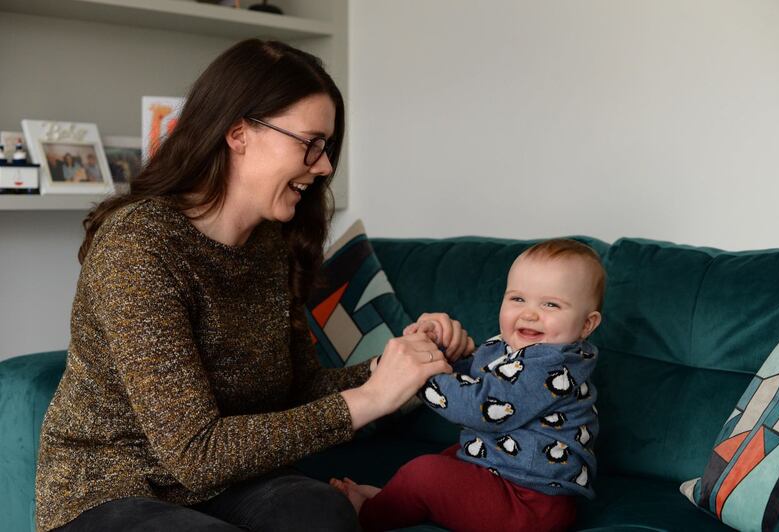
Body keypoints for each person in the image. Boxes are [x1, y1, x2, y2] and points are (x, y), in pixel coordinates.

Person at [34, 39, 473, 532]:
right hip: (113, 487)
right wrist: (370, 399)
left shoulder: (271, 244)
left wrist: (402, 366)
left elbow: (299, 388)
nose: (324, 165)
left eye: (327, 147)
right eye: (310, 142)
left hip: (232, 482)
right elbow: (193, 454)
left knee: (320, 513)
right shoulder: (138, 246)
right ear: (239, 133)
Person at [331, 238, 605, 532]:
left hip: (531, 504)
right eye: (517, 299)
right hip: (507, 476)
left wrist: (419, 374)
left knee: (425, 475)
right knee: (454, 456)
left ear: (587, 324)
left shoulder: (553, 363)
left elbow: (482, 408)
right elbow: (479, 376)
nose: (529, 313)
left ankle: (369, 513)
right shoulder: (514, 347)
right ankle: (394, 500)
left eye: (550, 304)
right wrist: (438, 350)